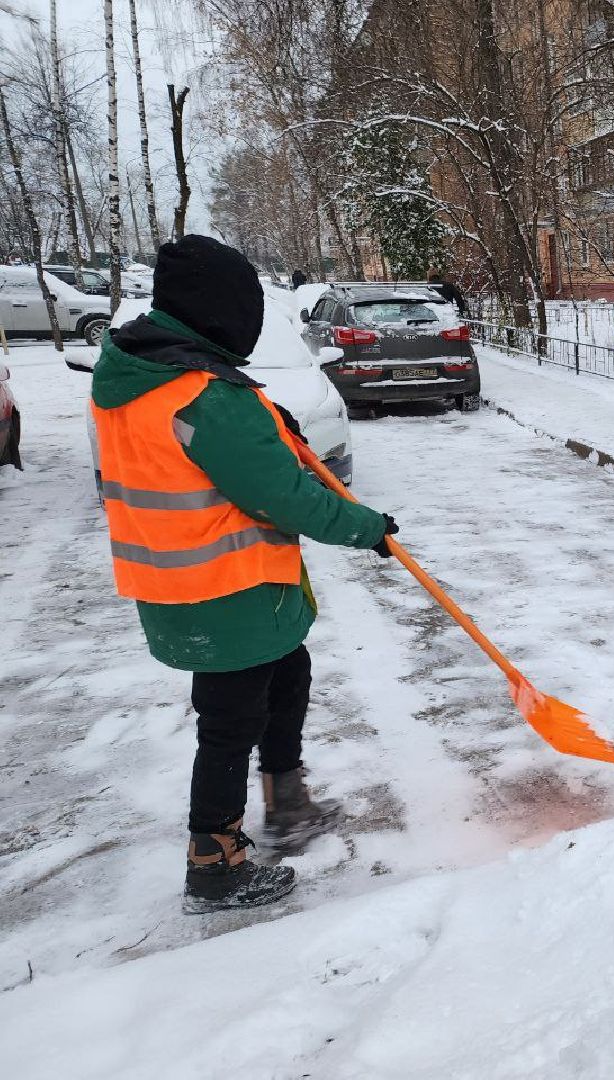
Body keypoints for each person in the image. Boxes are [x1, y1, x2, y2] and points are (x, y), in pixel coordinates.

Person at [90, 234, 401, 913]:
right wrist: (366, 528)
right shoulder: (200, 395)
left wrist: (267, 420)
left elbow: (210, 454)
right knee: (230, 723)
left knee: (287, 677)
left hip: (200, 583)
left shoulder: (144, 373)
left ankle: (286, 800)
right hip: (223, 587)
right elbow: (280, 493)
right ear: (217, 308)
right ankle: (215, 860)